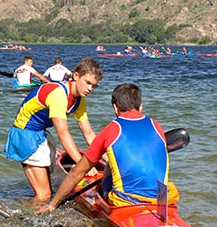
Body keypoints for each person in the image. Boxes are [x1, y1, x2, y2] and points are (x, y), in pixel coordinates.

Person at [39, 83, 177, 214]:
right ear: (140, 107)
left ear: (115, 108)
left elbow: (76, 173)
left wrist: (53, 205)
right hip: (162, 198)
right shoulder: (156, 126)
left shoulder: (112, 130)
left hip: (126, 201)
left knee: (110, 166)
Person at [4, 58, 102, 201]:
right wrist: (82, 165)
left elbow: (89, 134)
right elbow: (63, 133)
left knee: (47, 191)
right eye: (87, 82)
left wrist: (109, 158)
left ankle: (33, 207)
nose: (90, 89)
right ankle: (23, 214)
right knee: (44, 195)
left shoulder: (80, 101)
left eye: (94, 86)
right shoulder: (58, 94)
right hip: (25, 135)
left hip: (41, 133)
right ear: (76, 76)